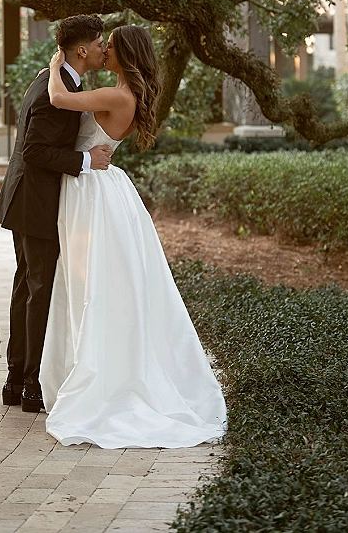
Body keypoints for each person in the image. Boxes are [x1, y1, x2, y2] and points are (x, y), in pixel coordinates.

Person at [39, 24, 227, 448]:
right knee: (95, 281)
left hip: (92, 191)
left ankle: (99, 375)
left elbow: (59, 99)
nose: (104, 51)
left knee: (91, 282)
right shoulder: (122, 92)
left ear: (126, 56)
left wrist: (55, 64)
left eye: (112, 48)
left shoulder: (118, 95)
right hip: (103, 186)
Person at [0, 15, 113, 413]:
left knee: (28, 287)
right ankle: (30, 385)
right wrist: (86, 159)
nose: (104, 48)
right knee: (37, 290)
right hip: (35, 202)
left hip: (26, 198)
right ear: (82, 50)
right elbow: (34, 151)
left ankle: (16, 380)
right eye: (99, 42)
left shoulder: (53, 78)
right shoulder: (53, 92)